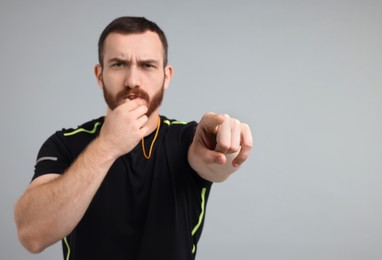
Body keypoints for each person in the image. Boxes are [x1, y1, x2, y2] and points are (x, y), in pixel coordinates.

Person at [14, 16, 253, 260]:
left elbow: (213, 165)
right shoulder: (65, 143)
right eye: (118, 64)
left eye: (147, 65)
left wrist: (226, 145)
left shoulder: (187, 139)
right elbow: (32, 235)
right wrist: (107, 145)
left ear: (166, 76)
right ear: (99, 75)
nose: (132, 81)